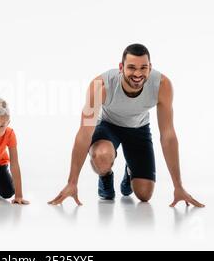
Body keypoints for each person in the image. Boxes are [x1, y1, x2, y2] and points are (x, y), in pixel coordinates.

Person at [49, 43, 204, 207]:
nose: (137, 73)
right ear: (121, 67)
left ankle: (130, 172)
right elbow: (84, 134)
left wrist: (178, 187)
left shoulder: (162, 85)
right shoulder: (99, 86)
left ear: (150, 68)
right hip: (108, 126)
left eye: (143, 68)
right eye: (131, 68)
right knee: (101, 156)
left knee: (144, 195)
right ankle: (105, 175)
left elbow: (168, 136)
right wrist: (72, 182)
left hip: (139, 129)